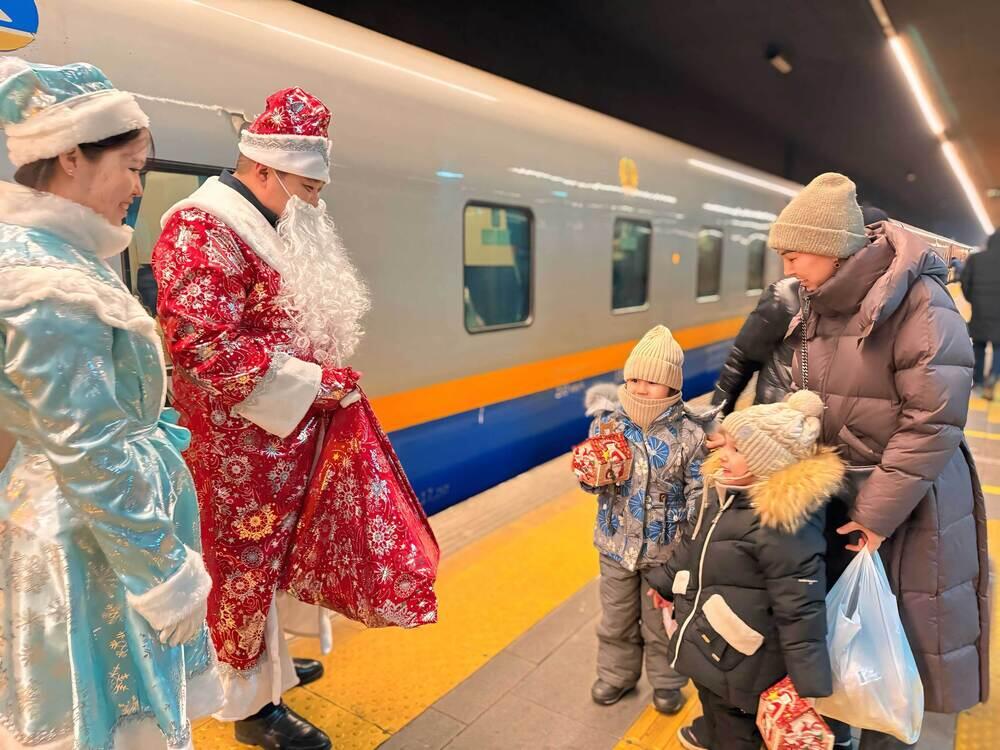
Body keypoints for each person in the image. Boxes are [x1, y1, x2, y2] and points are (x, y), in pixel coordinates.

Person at [0, 58, 221, 749]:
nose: (137, 186)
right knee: (103, 724)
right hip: (85, 544)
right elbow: (86, 446)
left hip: (86, 529)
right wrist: (164, 573)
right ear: (71, 157)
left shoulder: (63, 257)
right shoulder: (47, 283)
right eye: (131, 165)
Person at [153, 86, 369, 750]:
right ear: (264, 168)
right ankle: (249, 711)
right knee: (238, 573)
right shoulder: (200, 228)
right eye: (304, 186)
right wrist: (315, 383)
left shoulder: (260, 222)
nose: (312, 201)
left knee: (267, 567)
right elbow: (199, 343)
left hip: (271, 441)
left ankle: (266, 672)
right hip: (231, 451)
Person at [774, 172, 988, 748]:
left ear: (828, 247)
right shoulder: (822, 302)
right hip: (844, 498)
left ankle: (885, 731)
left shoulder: (918, 301)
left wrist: (874, 513)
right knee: (852, 634)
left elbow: (933, 419)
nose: (787, 270)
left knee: (901, 638)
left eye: (793, 256)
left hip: (907, 506)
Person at [648, 391, 843, 750]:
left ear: (767, 462)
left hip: (745, 660)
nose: (723, 454)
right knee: (715, 707)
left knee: (737, 732)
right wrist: (663, 581)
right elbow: (695, 544)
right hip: (711, 642)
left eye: (737, 450)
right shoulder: (728, 493)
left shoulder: (783, 526)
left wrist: (808, 683)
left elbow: (800, 607)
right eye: (727, 445)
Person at [580, 325, 713, 715]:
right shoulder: (607, 426)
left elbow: (698, 494)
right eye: (634, 378)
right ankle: (616, 675)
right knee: (616, 618)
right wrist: (590, 476)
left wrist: (688, 541)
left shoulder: (690, 434)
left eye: (652, 381)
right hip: (614, 545)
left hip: (665, 553)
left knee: (662, 623)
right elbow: (593, 483)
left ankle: (668, 681)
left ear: (672, 386)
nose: (639, 387)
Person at [711, 205, 890, 415]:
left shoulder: (882, 307)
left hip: (827, 438)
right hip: (774, 428)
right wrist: (716, 418)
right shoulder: (786, 296)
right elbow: (741, 361)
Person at [960, 230, 1000, 399]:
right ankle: (993, 377)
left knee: (979, 346)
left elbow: (965, 283)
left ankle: (978, 382)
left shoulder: (976, 259)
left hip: (980, 311)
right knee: (999, 347)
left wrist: (973, 300)